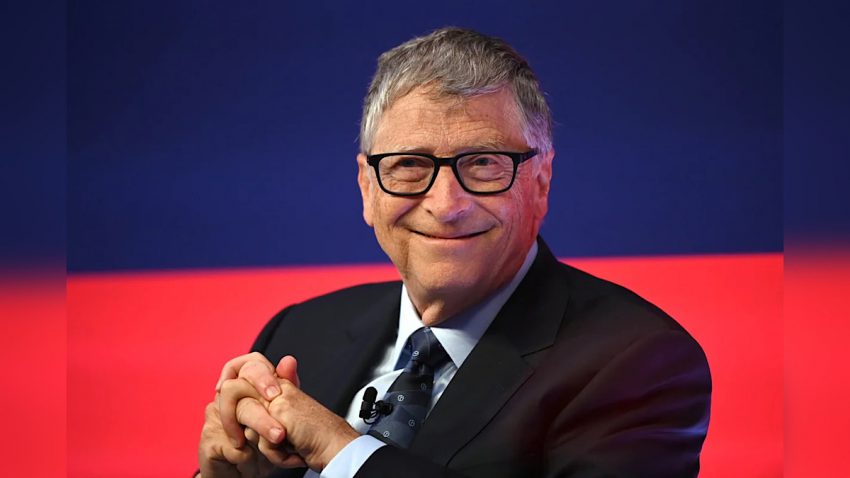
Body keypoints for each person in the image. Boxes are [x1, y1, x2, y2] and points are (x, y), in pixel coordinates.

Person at [197, 27, 711, 478]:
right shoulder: (301, 331)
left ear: (541, 181)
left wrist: (342, 452)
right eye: (409, 164)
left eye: (483, 163)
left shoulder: (636, 361)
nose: (446, 206)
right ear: (367, 188)